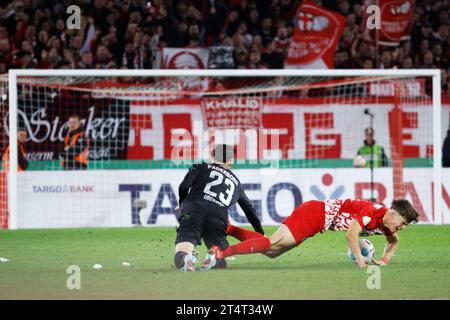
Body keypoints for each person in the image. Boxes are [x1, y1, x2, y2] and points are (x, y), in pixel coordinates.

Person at [202, 198, 419, 270]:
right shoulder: (372, 211)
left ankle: (228, 228)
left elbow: (394, 242)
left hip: (319, 224)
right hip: (315, 214)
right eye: (404, 221)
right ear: (393, 213)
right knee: (270, 243)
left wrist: (384, 260)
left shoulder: (387, 226)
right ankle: (220, 253)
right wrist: (361, 263)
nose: (403, 227)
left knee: (270, 252)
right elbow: (351, 236)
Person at [174, 144, 264, 272]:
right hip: (217, 218)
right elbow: (249, 211)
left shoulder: (201, 166)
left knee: (180, 255)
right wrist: (260, 234)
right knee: (220, 259)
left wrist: (183, 205)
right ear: (231, 160)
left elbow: (183, 187)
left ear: (212, 156)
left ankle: (186, 258)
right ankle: (214, 258)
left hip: (194, 211)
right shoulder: (236, 183)